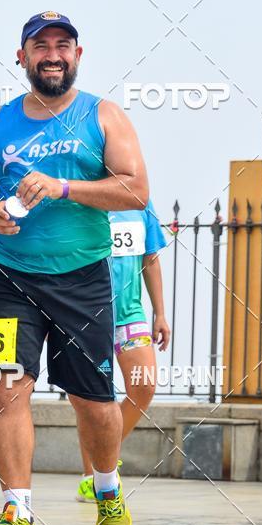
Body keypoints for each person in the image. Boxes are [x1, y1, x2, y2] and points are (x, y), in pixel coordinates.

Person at [0, 11, 149, 525]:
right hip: (10, 278)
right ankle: (17, 513)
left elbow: (136, 191)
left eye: (64, 45)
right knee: (7, 389)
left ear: (78, 56)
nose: (53, 54)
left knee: (94, 400)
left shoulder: (103, 116)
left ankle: (108, 491)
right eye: (41, 46)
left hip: (83, 280)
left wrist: (65, 187)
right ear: (22, 58)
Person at [76, 199, 171, 501]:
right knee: (91, 399)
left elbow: (151, 258)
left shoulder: (139, 200)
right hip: (86, 315)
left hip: (130, 314)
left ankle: (103, 458)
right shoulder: (81, 194)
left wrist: (160, 313)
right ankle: (92, 478)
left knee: (144, 386)